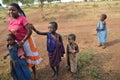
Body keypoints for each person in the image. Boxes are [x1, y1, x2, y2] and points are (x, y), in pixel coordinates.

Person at [7, 3, 42, 80]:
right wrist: (11, 40)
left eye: (13, 10)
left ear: (18, 10)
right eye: (9, 10)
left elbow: (29, 31)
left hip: (26, 41)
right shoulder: (9, 19)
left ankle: (34, 71)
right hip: (16, 42)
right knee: (21, 58)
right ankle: (25, 72)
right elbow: (11, 31)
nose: (11, 12)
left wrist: (22, 41)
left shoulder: (22, 18)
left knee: (29, 56)